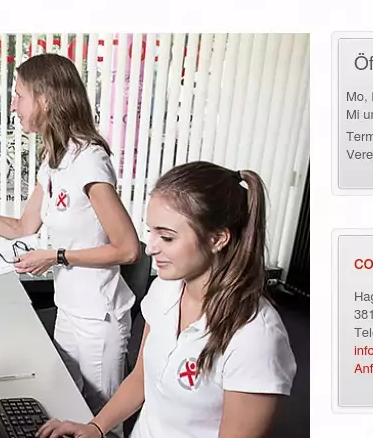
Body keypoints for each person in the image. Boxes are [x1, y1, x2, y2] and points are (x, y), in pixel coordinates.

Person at [0, 53, 141, 415]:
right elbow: (22, 228)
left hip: (98, 318)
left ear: (45, 99)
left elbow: (128, 249)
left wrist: (56, 256)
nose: (13, 105)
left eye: (19, 95)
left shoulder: (89, 161)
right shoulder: (55, 160)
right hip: (69, 309)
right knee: (66, 408)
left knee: (101, 422)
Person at [38, 161, 296, 438]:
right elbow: (141, 377)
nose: (151, 248)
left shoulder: (256, 337)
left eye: (167, 237)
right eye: (151, 232)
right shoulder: (165, 288)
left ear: (217, 239)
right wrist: (95, 427)